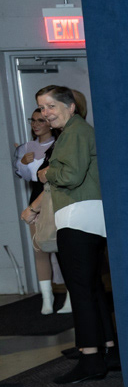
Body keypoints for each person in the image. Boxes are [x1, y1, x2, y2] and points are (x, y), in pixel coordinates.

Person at [24, 86, 114, 382]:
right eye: (42, 108)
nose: (46, 113)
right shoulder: (76, 131)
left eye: (51, 106)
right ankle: (108, 350)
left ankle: (91, 358)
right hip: (86, 215)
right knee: (90, 288)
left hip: (77, 217)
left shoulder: (74, 132)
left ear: (71, 106)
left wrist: (45, 173)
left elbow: (71, 176)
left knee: (81, 291)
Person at [12, 107, 64, 314]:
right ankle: (47, 298)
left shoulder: (60, 144)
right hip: (36, 198)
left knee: (64, 249)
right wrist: (23, 163)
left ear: (50, 122)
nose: (35, 124)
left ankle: (71, 296)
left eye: (40, 120)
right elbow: (25, 176)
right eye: (33, 120)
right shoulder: (26, 147)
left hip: (57, 197)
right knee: (39, 249)